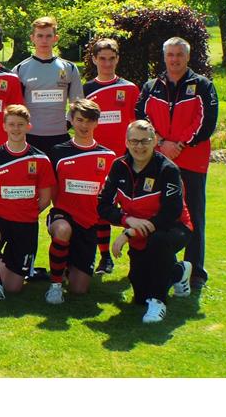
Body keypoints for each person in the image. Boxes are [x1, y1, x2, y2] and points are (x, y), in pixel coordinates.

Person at [136, 37, 218, 291]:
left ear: (188, 57)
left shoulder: (203, 85)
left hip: (192, 161)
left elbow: (206, 122)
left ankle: (195, 271)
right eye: (170, 54)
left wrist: (179, 144)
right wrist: (161, 142)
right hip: (159, 159)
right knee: (158, 213)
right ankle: (163, 265)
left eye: (179, 54)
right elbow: (141, 117)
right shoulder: (152, 86)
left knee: (193, 215)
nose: (174, 59)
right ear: (164, 57)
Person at [98, 119, 194, 324]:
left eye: (145, 141)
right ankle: (178, 272)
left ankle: (158, 303)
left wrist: (129, 233)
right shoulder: (119, 166)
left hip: (173, 228)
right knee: (140, 295)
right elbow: (103, 206)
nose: (139, 146)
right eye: (134, 141)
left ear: (155, 141)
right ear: (126, 142)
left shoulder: (167, 169)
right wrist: (127, 219)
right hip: (140, 231)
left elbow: (171, 213)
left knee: (158, 242)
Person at [0, 104, 56, 303]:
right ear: (4, 126)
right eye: (11, 124)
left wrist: (27, 212)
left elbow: (46, 199)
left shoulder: (40, 159)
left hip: (26, 223)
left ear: (28, 126)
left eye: (20, 124)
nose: (16, 128)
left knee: (13, 287)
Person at [44, 99, 117, 304]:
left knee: (79, 289)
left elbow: (111, 195)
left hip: (89, 224)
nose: (84, 125)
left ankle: (67, 265)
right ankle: (55, 286)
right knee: (62, 230)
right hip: (63, 216)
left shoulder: (108, 155)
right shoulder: (57, 151)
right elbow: (52, 189)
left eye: (90, 120)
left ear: (97, 122)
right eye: (80, 120)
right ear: (72, 120)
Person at [82, 37, 140, 273]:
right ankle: (105, 256)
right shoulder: (86, 90)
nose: (107, 63)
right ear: (94, 59)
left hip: (124, 159)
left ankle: (139, 258)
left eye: (111, 58)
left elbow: (137, 124)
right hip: (95, 158)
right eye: (102, 58)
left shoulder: (130, 89)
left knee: (133, 208)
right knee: (100, 207)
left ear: (118, 59)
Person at [15, 16, 84, 155]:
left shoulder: (69, 68)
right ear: (32, 38)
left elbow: (77, 103)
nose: (44, 40)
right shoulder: (20, 69)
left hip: (60, 136)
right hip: (30, 137)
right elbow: (15, 106)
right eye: (40, 36)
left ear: (55, 38)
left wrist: (68, 123)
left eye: (48, 36)